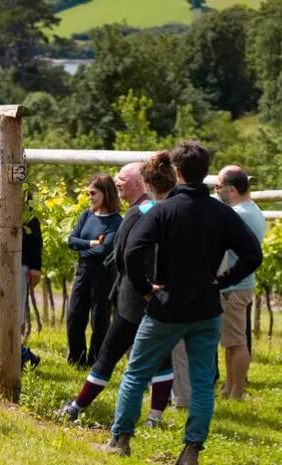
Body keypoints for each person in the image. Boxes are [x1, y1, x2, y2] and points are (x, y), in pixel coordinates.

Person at [106, 141, 263, 465]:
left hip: (166, 306)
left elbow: (133, 252)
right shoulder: (222, 213)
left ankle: (120, 439)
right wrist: (223, 281)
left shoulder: (162, 210)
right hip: (207, 308)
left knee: (136, 372)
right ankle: (191, 450)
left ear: (176, 172)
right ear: (205, 173)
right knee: (203, 381)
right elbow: (252, 254)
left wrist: (146, 288)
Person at [58, 153, 176, 426]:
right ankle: (155, 417)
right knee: (161, 357)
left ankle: (78, 407)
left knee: (108, 354)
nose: (118, 183)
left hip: (135, 297)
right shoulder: (159, 209)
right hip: (157, 295)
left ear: (138, 183)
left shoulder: (138, 213)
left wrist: (140, 286)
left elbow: (121, 254)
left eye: (122, 179)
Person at [215, 166, 265, 400]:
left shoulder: (239, 215)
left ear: (231, 189)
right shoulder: (251, 209)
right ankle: (228, 387)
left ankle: (236, 393)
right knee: (231, 341)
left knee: (237, 342)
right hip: (238, 285)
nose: (216, 192)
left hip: (235, 286)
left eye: (218, 187)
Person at [66, 174, 122, 366]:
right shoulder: (87, 215)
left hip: (103, 274)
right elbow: (71, 241)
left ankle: (96, 360)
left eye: (93, 193)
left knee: (99, 319)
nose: (89, 197)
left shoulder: (116, 221)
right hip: (83, 271)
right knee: (74, 315)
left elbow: (105, 248)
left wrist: (85, 248)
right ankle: (76, 358)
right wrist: (91, 243)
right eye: (88, 193)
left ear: (106, 193)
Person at [0, 206, 43, 368]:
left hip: (17, 262)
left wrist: (35, 266)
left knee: (12, 315)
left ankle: (14, 361)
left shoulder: (21, 193)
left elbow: (34, 232)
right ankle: (23, 354)